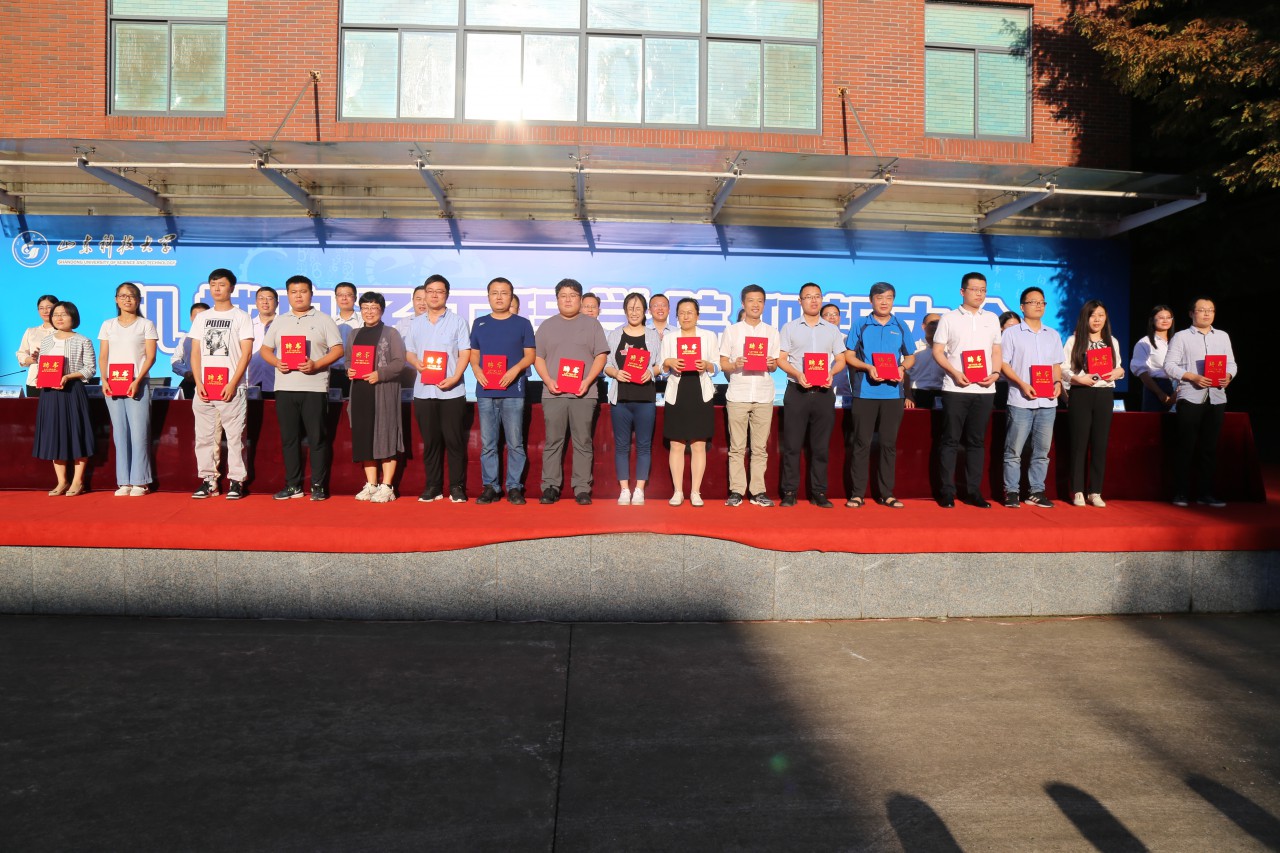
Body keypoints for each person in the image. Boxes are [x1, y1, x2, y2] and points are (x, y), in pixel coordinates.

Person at [260, 274, 345, 501]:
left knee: (317, 439)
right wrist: (277, 362)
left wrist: (317, 364)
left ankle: (318, 485)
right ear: (288, 295)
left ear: (311, 294)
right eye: (293, 292)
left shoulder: (324, 320)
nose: (298, 296)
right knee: (289, 440)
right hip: (285, 387)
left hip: (314, 388)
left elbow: (338, 350)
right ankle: (292, 485)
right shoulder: (280, 321)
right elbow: (265, 350)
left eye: (303, 291)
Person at [534, 278, 609, 505]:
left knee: (583, 442)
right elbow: (538, 357)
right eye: (563, 296)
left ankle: (582, 488)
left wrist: (587, 381)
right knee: (553, 441)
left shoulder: (592, 325)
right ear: (557, 299)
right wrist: (548, 380)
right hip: (553, 393)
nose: (568, 300)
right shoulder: (547, 325)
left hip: (584, 393)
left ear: (580, 299)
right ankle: (550, 487)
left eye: (573, 295)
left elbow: (601, 356)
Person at [844, 282, 917, 508]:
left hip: (893, 394)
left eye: (889, 298)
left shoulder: (900, 325)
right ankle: (857, 494)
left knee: (888, 444)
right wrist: (867, 367)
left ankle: (887, 493)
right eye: (879, 298)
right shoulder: (861, 324)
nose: (884, 302)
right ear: (871, 300)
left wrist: (902, 368)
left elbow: (910, 356)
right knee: (861, 444)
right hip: (865, 393)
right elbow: (849, 355)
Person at [932, 272, 1002, 508]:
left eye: (983, 290)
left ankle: (973, 491)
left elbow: (996, 351)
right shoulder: (949, 318)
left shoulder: (992, 318)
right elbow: (938, 351)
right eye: (974, 289)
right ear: (962, 292)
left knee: (976, 442)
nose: (979, 294)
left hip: (985, 389)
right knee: (950, 440)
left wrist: (995, 373)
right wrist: (954, 372)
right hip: (955, 388)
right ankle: (947, 492)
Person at [778, 282, 847, 508]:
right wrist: (797, 374)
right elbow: (781, 359)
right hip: (797, 391)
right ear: (800, 301)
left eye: (817, 296)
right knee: (792, 445)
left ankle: (819, 492)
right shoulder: (789, 328)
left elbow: (841, 359)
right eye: (808, 296)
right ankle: (789, 491)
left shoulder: (832, 330)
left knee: (820, 447)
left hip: (823, 392)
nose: (813, 300)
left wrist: (831, 373)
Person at [404, 274, 472, 503]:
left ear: (447, 295)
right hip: (424, 391)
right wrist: (416, 363)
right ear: (424, 294)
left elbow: (465, 353)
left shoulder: (458, 322)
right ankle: (433, 486)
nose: (434, 295)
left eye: (439, 291)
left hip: (451, 391)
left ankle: (457, 487)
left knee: (454, 441)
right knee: (430, 442)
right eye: (430, 291)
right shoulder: (415, 323)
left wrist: (455, 377)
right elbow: (409, 352)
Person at [469, 276, 536, 505]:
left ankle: (514, 487)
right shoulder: (479, 323)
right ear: (488, 296)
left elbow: (530, 355)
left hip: (513, 391)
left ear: (511, 296)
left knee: (515, 442)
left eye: (504, 293)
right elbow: (474, 354)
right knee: (488, 443)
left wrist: (515, 369)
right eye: (494, 293)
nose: (499, 297)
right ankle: (491, 486)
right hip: (485, 390)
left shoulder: (522, 323)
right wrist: (476, 369)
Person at [189, 268, 254, 499]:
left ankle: (236, 480)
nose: (217, 289)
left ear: (231, 288)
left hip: (231, 387)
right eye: (213, 284)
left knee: (235, 437)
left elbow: (246, 354)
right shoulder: (202, 318)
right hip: (204, 388)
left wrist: (233, 383)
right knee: (205, 437)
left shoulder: (241, 317)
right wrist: (198, 382)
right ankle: (209, 480)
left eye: (222, 284)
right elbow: (195, 352)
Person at [1166, 297, 1237, 507]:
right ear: (1191, 313)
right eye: (1202, 310)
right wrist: (1192, 377)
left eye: (1211, 310)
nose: (1207, 313)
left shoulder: (1223, 336)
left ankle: (1205, 493)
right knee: (1185, 446)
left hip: (1216, 397)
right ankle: (1181, 492)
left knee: (1209, 448)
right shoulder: (1181, 337)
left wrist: (1228, 376)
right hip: (1190, 396)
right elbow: (1169, 365)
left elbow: (1232, 363)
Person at [998, 287, 1063, 509]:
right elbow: (1003, 364)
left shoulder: (1052, 334)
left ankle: (1036, 491)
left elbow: (1056, 365)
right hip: (1020, 399)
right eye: (1033, 302)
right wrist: (1022, 383)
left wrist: (1057, 383)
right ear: (1022, 306)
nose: (1038, 305)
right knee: (1013, 450)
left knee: (1042, 452)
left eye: (1041, 302)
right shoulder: (1011, 333)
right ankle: (1011, 491)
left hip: (1048, 402)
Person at [720, 284, 780, 507]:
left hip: (763, 394)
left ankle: (758, 491)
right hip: (738, 394)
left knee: (759, 448)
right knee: (736, 447)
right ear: (743, 303)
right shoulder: (732, 331)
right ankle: (736, 490)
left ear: (764, 304)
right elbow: (723, 362)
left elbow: (774, 365)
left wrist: (771, 364)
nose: (756, 305)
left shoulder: (772, 332)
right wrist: (734, 364)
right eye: (751, 300)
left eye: (760, 301)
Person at [1061, 299, 1124, 508]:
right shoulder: (1074, 340)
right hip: (1081, 393)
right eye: (1092, 315)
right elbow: (1063, 368)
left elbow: (1119, 367)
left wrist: (1118, 372)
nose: (1097, 319)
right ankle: (1078, 490)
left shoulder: (1112, 341)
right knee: (1079, 444)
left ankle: (1095, 491)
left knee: (1100, 443)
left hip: (1104, 394)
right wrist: (1078, 379)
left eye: (1101, 315)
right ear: (1085, 318)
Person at [99, 282, 159, 496]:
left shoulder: (146, 324)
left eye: (132, 295)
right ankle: (124, 481)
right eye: (123, 295)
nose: (127, 299)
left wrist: (138, 380)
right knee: (120, 432)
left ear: (138, 300)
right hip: (113, 383)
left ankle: (140, 481)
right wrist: (104, 379)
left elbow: (151, 356)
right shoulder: (108, 325)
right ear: (116, 299)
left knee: (139, 432)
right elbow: (104, 356)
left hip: (136, 382)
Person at [346, 292, 406, 503]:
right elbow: (348, 361)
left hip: (383, 391)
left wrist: (380, 374)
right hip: (360, 392)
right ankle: (371, 484)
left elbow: (399, 362)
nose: (369, 312)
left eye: (374, 308)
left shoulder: (391, 333)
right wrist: (349, 370)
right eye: (365, 308)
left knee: (386, 435)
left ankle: (387, 486)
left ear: (381, 310)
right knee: (364, 437)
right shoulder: (354, 334)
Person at [32, 301, 95, 496]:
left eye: (64, 314)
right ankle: (62, 481)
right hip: (50, 394)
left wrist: (68, 376)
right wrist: (41, 379)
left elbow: (90, 369)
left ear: (73, 317)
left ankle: (77, 481)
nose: (59, 318)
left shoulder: (83, 340)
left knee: (77, 433)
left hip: (72, 391)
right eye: (56, 314)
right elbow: (44, 366)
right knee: (54, 435)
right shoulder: (46, 341)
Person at [661, 297, 720, 506]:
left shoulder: (709, 336)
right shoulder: (670, 338)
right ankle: (678, 491)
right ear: (676, 316)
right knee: (676, 444)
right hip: (677, 392)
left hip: (700, 391)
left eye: (690, 312)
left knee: (698, 444)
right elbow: (662, 368)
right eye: (682, 313)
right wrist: (668, 362)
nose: (686, 316)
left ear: (697, 315)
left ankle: (695, 491)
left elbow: (717, 366)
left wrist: (707, 365)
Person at [604, 292, 660, 505]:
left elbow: (661, 363)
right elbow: (606, 364)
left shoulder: (652, 336)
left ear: (645, 311)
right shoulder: (615, 335)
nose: (634, 312)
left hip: (645, 399)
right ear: (625, 311)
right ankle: (624, 490)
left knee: (644, 445)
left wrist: (651, 372)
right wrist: (616, 373)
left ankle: (639, 490)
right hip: (621, 399)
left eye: (638, 309)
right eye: (630, 308)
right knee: (621, 446)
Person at [1132, 304, 1176, 411]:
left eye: (1168, 317)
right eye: (1161, 317)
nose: (1165, 320)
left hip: (1177, 388)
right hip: (1156, 387)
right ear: (1152, 320)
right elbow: (1142, 372)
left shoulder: (1177, 341)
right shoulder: (1144, 342)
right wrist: (1160, 393)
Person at [16, 294, 57, 398]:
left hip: (57, 381)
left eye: (49, 307)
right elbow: (21, 353)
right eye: (41, 308)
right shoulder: (31, 331)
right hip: (34, 381)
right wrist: (32, 359)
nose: (45, 311)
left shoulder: (63, 332)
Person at [905, 312, 944, 410]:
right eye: (932, 323)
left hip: (942, 393)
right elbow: (905, 373)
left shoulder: (949, 349)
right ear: (923, 326)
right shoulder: (914, 348)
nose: (936, 326)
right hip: (918, 393)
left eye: (939, 323)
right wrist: (908, 395)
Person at [171, 302, 210, 399]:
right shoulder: (185, 338)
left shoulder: (216, 337)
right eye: (195, 316)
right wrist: (186, 372)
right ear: (190, 318)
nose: (198, 320)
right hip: (190, 382)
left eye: (202, 316)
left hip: (212, 381)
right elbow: (175, 359)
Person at [330, 281, 361, 398]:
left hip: (356, 372)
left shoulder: (363, 321)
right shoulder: (330, 322)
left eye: (348, 295)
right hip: (333, 373)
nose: (344, 298)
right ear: (336, 298)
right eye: (340, 295)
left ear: (355, 298)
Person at [247, 285, 279, 397]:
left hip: (279, 380)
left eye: (269, 298)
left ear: (277, 303)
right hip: (253, 380)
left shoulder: (284, 324)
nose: (265, 302)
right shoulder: (248, 325)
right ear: (256, 302)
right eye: (261, 298)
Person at [823, 303, 853, 403]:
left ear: (839, 318)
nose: (832, 317)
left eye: (835, 314)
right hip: (819, 390)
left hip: (842, 394)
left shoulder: (847, 339)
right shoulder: (814, 339)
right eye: (827, 314)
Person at [994, 310, 1021, 410]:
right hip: (1001, 385)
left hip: (1019, 385)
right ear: (1001, 327)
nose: (1014, 330)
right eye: (1010, 326)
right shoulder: (995, 344)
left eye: (1017, 326)